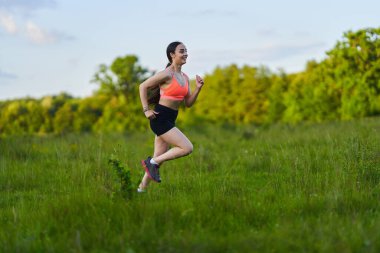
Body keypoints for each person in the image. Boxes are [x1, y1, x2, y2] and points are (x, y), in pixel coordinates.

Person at [137, 41, 204, 192]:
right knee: (187, 147)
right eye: (182, 51)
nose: (186, 53)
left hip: (170, 119)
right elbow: (143, 86)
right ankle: (151, 162)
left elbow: (188, 103)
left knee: (158, 159)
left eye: (186, 50)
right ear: (172, 55)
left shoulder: (185, 78)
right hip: (160, 118)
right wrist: (146, 110)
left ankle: (140, 191)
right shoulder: (167, 74)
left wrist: (198, 89)